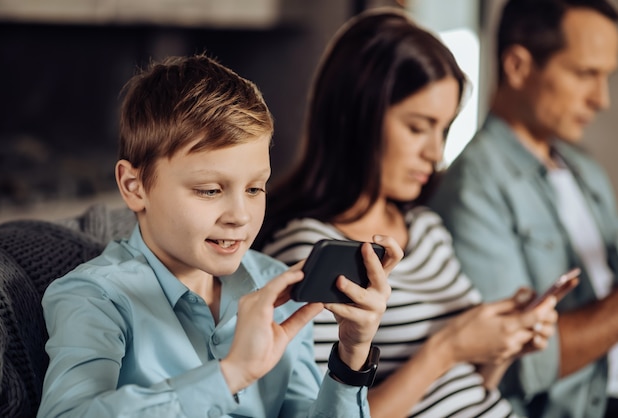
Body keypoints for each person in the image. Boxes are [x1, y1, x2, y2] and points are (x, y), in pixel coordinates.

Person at [36, 53, 404, 418]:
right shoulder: (95, 297)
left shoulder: (276, 288)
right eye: (210, 190)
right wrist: (231, 374)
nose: (240, 216)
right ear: (134, 187)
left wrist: (351, 358)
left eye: (255, 189)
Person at [255, 8, 558, 418]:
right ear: (358, 116)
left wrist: (503, 343)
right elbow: (329, 412)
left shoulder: (426, 227)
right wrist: (447, 348)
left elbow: (470, 385)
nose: (435, 153)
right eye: (418, 127)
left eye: (444, 129)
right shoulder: (308, 251)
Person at [429, 0, 618, 417]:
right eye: (585, 74)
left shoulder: (585, 169)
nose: (601, 99)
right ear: (517, 66)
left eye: (606, 77)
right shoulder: (473, 187)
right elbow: (521, 363)